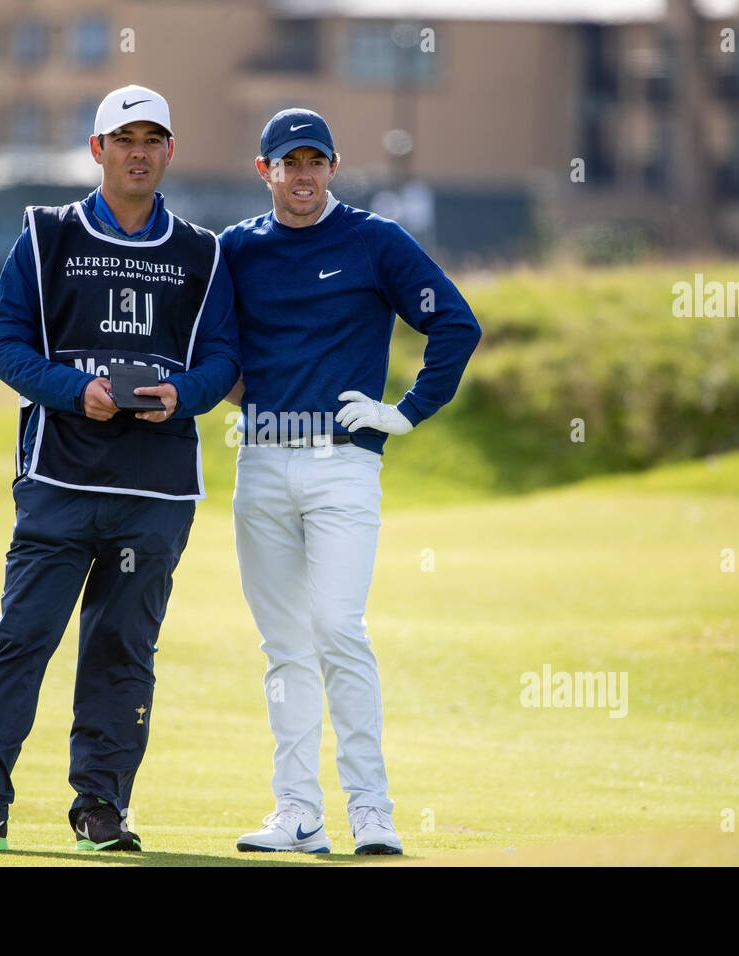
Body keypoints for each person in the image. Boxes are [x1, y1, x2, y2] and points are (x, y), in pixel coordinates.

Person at [0, 85, 239, 853]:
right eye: (122, 139)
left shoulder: (204, 251)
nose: (138, 151)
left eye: (152, 139)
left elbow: (225, 357)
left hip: (155, 492)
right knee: (22, 641)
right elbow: (4, 344)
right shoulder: (44, 235)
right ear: (97, 150)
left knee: (122, 652)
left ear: (169, 150)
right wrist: (75, 391)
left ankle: (102, 807)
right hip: (59, 482)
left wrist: (183, 395)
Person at [219, 108, 481, 855]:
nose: (302, 177)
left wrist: (405, 413)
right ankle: (298, 814)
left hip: (344, 466)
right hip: (261, 461)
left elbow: (456, 325)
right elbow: (212, 344)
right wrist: (244, 392)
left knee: (337, 628)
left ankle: (372, 809)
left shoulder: (375, 242)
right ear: (263, 169)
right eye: (287, 163)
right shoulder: (236, 249)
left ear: (332, 168)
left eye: (315, 162)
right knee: (284, 647)